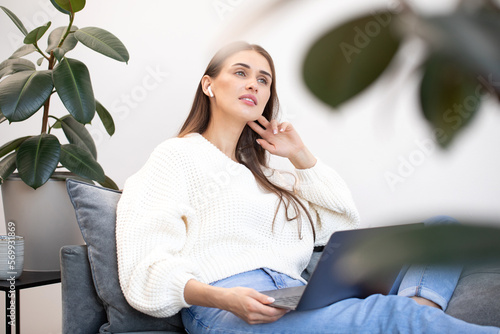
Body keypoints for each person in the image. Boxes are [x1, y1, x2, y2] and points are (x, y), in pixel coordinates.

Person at [116, 41, 500, 333]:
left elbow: (343, 227)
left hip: (300, 296)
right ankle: (409, 319)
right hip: (229, 310)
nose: (254, 84)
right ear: (209, 85)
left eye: (263, 80)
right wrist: (221, 297)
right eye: (240, 72)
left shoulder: (274, 178)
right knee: (393, 314)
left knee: (442, 229)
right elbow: (143, 268)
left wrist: (300, 156)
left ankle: (420, 312)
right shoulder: (176, 156)